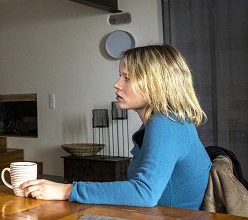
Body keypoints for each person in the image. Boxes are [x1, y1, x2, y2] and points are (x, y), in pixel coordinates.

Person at [20, 44, 211, 210]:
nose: (117, 84)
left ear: (156, 83)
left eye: (127, 78)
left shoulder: (167, 124)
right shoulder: (160, 124)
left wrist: (67, 189)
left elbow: (144, 193)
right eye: (120, 76)